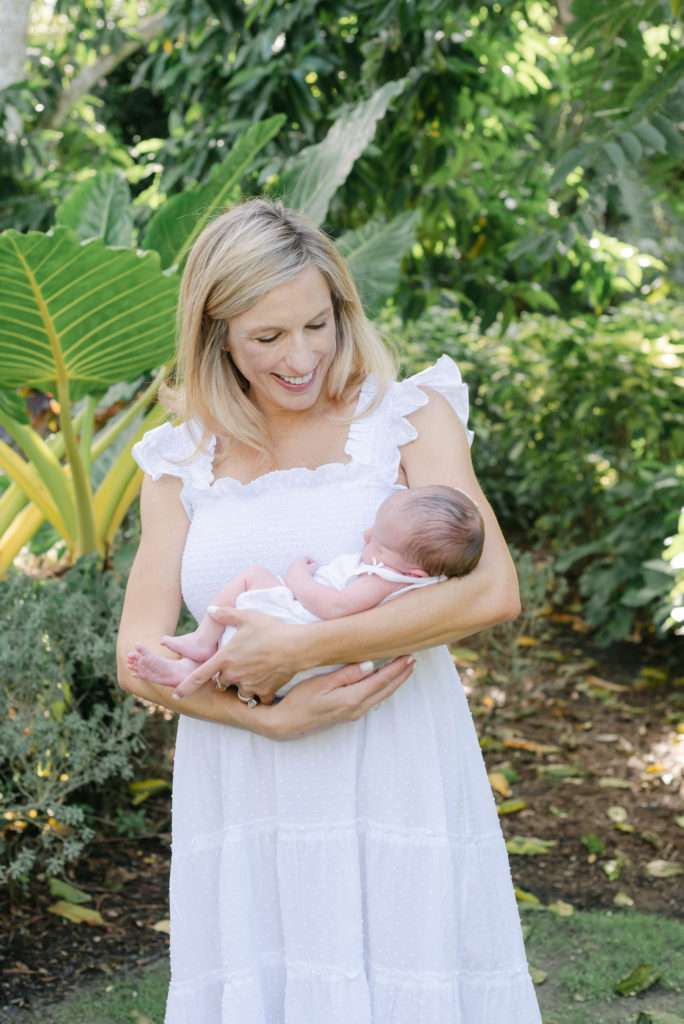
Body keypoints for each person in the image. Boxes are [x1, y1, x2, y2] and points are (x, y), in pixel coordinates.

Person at [116, 197, 542, 1024]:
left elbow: (493, 589)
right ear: (217, 334)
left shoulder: (411, 416)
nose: (302, 357)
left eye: (318, 324)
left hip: (395, 761)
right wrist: (263, 717)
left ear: (342, 309)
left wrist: (303, 646)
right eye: (268, 337)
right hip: (244, 779)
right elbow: (134, 651)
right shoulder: (177, 461)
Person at [127, 484, 485, 698]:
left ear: (414, 571)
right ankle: (189, 665)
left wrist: (298, 576)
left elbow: (336, 607)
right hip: (296, 636)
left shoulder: (388, 579)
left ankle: (202, 642)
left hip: (298, 625)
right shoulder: (407, 571)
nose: (366, 537)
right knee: (247, 601)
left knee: (254, 575)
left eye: (379, 542)